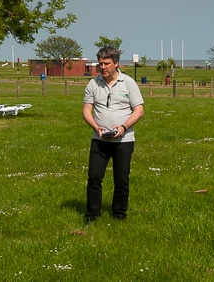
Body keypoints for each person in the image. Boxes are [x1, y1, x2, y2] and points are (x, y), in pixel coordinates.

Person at [82, 46, 145, 224]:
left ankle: (119, 215)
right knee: (94, 177)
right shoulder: (93, 84)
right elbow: (87, 110)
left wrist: (124, 127)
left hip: (123, 140)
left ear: (116, 63)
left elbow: (139, 110)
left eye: (107, 63)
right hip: (99, 139)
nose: (103, 67)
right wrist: (96, 127)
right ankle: (92, 216)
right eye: (100, 63)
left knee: (121, 179)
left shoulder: (129, 83)